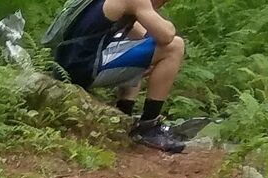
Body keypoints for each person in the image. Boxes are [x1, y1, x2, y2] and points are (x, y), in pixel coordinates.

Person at [53, 0, 193, 152]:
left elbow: (141, 35)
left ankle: (123, 114)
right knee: (175, 46)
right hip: (83, 68)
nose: (161, 6)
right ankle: (149, 127)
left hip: (67, 62)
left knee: (138, 46)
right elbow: (166, 36)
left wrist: (149, 58)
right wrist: (169, 27)